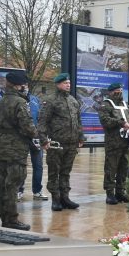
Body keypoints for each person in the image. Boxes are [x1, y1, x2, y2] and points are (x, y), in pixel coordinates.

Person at [0, 71, 46, 230]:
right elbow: (28, 127)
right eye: (25, 86)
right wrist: (41, 139)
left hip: (1, 148)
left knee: (0, 181)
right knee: (13, 184)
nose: (26, 88)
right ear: (17, 86)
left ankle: (2, 212)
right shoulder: (20, 103)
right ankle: (11, 220)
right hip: (16, 149)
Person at [38, 73, 85, 211]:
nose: (68, 85)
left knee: (66, 172)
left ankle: (65, 198)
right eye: (65, 83)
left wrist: (81, 137)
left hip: (71, 143)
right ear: (58, 84)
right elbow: (42, 122)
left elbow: (78, 121)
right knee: (54, 171)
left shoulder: (73, 100)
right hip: (56, 143)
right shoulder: (50, 100)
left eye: (69, 83)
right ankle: (55, 199)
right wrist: (43, 140)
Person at [97, 82, 129, 205]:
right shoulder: (105, 105)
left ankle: (120, 192)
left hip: (126, 142)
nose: (119, 92)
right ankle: (110, 194)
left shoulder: (125, 104)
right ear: (110, 92)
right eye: (116, 90)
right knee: (111, 168)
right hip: (113, 143)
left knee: (123, 168)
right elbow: (105, 121)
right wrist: (120, 123)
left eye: (120, 90)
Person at [18, 91, 47, 201]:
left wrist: (42, 134)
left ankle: (37, 191)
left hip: (36, 137)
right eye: (22, 84)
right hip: (21, 138)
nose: (24, 87)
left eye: (26, 84)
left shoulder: (35, 100)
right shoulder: (16, 100)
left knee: (38, 165)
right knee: (21, 165)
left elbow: (41, 117)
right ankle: (19, 190)